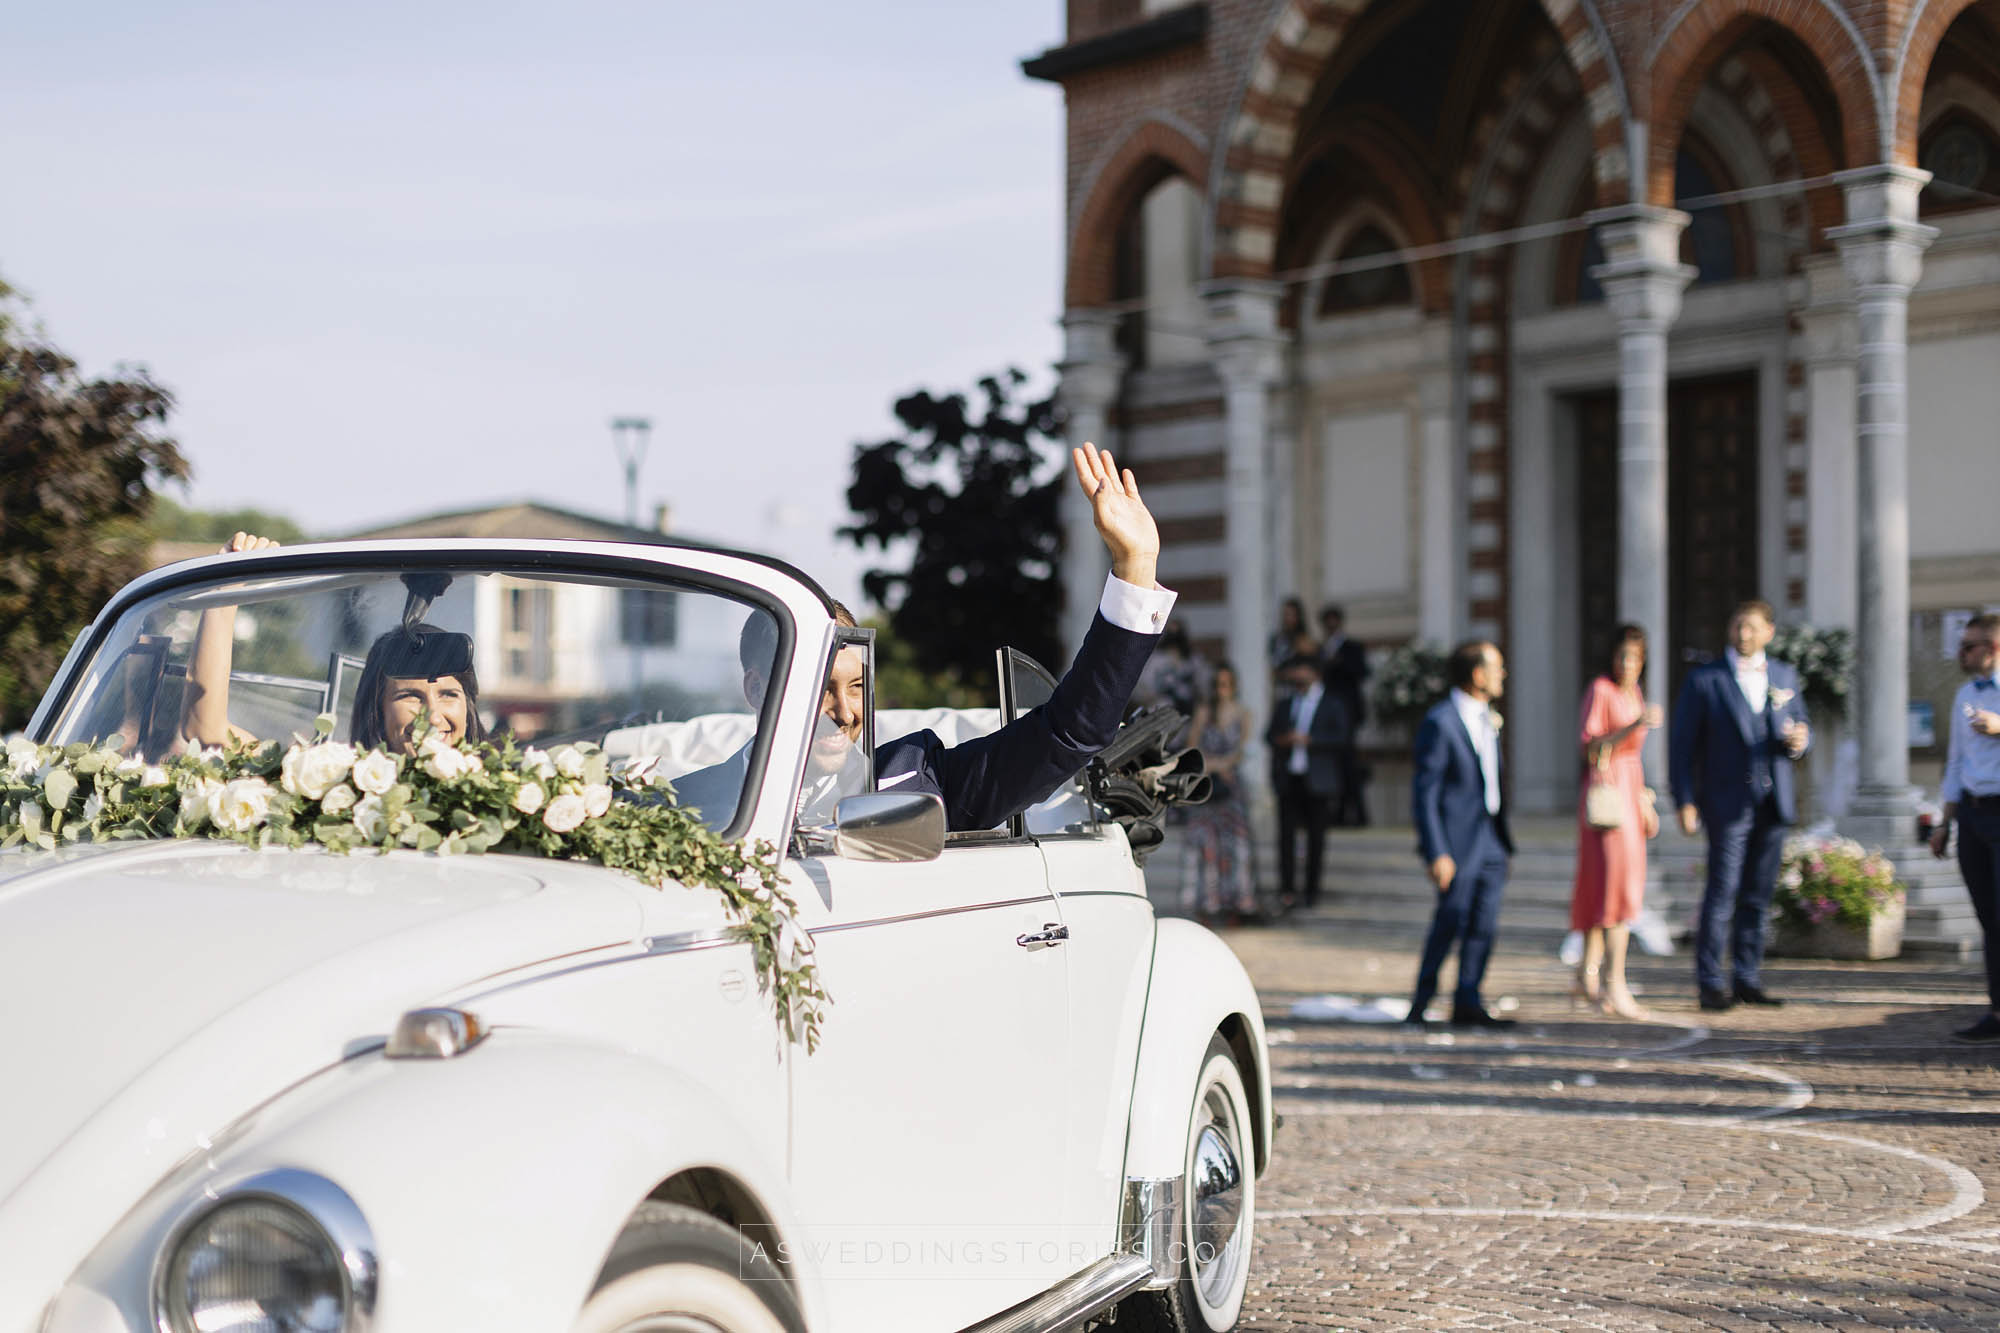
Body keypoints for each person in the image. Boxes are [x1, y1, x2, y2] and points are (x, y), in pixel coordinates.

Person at [683, 446, 1175, 834]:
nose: (844, 710)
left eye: (857, 687)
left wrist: (1136, 567)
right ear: (755, 689)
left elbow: (1070, 734)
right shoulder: (686, 802)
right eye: (817, 688)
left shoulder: (919, 779)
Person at [182, 534, 488, 758]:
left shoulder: (513, 791)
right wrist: (225, 588)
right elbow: (206, 729)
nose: (432, 716)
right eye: (410, 696)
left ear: (469, 707)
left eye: (448, 694)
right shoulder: (332, 784)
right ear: (377, 711)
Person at [1670, 599, 1811, 1012]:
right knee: (1722, 891)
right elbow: (1682, 748)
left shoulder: (1785, 675)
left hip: (1774, 800)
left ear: (1768, 632)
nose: (1743, 634)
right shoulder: (1705, 679)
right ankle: (1711, 982)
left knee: (1758, 895)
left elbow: (1802, 726)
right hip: (1726, 802)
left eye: (1751, 627)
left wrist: (1802, 742)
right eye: (1737, 626)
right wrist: (1685, 799)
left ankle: (1747, 977)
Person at [1406, 639, 1515, 1029]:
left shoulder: (1489, 716)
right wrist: (1437, 851)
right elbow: (1425, 792)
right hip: (1456, 842)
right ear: (1477, 674)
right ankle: (1421, 1003)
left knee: (1484, 923)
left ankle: (1468, 1000)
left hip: (1490, 836)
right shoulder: (1441, 721)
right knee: (1450, 920)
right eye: (1497, 667)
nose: (1503, 675)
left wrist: (1502, 842)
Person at [1569, 624, 1664, 1020]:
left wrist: (1644, 801)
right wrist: (1633, 726)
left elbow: (1634, 759)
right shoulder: (1602, 690)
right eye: (1622, 656)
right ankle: (1615, 983)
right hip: (1606, 797)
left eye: (1635, 657)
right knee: (1614, 890)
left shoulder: (1635, 693)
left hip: (1630, 791)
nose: (1628, 664)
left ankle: (1585, 979)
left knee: (1610, 889)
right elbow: (1591, 747)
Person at [1929, 613, 2000, 1042]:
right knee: (1989, 918)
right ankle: (1997, 1011)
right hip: (1972, 816)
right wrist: (1944, 821)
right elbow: (1955, 761)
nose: (1961, 653)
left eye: (1969, 646)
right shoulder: (1963, 696)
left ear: (1993, 648)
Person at [1266, 653, 1349, 909]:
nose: (1298, 679)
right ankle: (1287, 890)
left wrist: (1311, 740)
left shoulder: (1333, 703)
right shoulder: (1285, 703)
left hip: (1319, 780)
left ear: (1315, 674)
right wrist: (1284, 740)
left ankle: (1312, 891)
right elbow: (1269, 735)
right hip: (1290, 778)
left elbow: (1343, 737)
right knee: (1286, 838)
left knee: (1316, 838)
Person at [1181, 663, 1257, 921]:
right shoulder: (1204, 711)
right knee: (1205, 847)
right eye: (1218, 684)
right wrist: (1214, 766)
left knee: (1235, 847)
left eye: (1226, 684)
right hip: (1206, 784)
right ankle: (1206, 904)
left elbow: (1243, 749)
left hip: (1232, 789)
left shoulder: (1243, 713)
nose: (1222, 689)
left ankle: (1237, 904)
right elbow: (1192, 746)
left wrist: (1224, 765)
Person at [1318, 603, 1372, 827]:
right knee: (1333, 765)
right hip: (1326, 715)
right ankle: (1336, 813)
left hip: (1347, 714)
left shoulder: (1352, 647)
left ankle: (1357, 813)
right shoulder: (1320, 649)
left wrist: (1339, 663)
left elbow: (1363, 672)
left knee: (1349, 764)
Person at [1269, 597, 1309, 674]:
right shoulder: (1277, 640)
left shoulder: (1304, 641)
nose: (1287, 619)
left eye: (1290, 615)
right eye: (1285, 614)